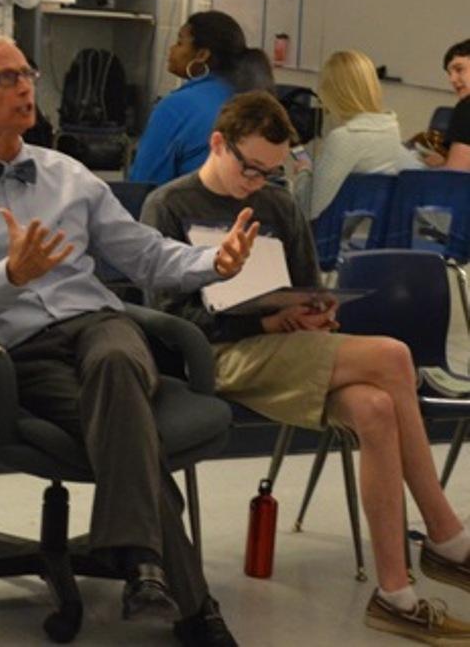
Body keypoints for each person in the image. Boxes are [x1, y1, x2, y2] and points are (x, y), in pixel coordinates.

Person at [0, 35, 259, 647]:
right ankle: (174, 592)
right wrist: (10, 275)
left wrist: (213, 265)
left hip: (98, 326)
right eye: (4, 79)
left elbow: (145, 256)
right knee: (127, 426)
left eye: (26, 73)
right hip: (18, 356)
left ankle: (145, 566)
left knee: (119, 357)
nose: (23, 87)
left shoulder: (70, 177)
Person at [141, 89, 470, 646]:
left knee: (376, 406)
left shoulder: (277, 204)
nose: (258, 181)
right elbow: (166, 319)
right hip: (215, 355)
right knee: (392, 356)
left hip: (282, 351)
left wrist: (315, 311)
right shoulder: (169, 205)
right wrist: (263, 325)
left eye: (271, 171)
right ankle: (447, 535)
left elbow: (305, 285)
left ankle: (395, 594)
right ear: (218, 143)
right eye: (250, 167)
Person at [129, 10, 275, 185]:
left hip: (188, 210)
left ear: (202, 55)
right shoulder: (251, 99)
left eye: (179, 42)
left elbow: (144, 184)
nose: (171, 49)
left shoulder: (176, 108)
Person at [293, 50, 418, 220]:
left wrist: (303, 172)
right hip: (363, 240)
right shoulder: (391, 132)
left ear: (334, 92)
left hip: (324, 240)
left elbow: (307, 208)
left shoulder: (342, 139)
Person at [420, 38, 470, 171]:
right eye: (449, 74)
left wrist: (441, 166)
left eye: (459, 70)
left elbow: (456, 176)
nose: (452, 80)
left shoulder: (467, 107)